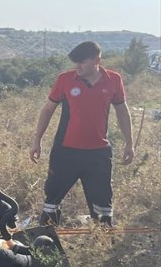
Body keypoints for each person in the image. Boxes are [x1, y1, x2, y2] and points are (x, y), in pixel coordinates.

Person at [29, 41, 135, 226]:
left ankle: (101, 239)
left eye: (82, 62)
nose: (77, 66)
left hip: (98, 153)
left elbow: (122, 111)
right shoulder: (65, 79)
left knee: (102, 201)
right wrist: (36, 140)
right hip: (65, 151)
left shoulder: (114, 80)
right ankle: (46, 240)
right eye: (75, 62)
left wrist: (129, 143)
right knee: (52, 197)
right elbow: (48, 110)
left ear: (97, 60)